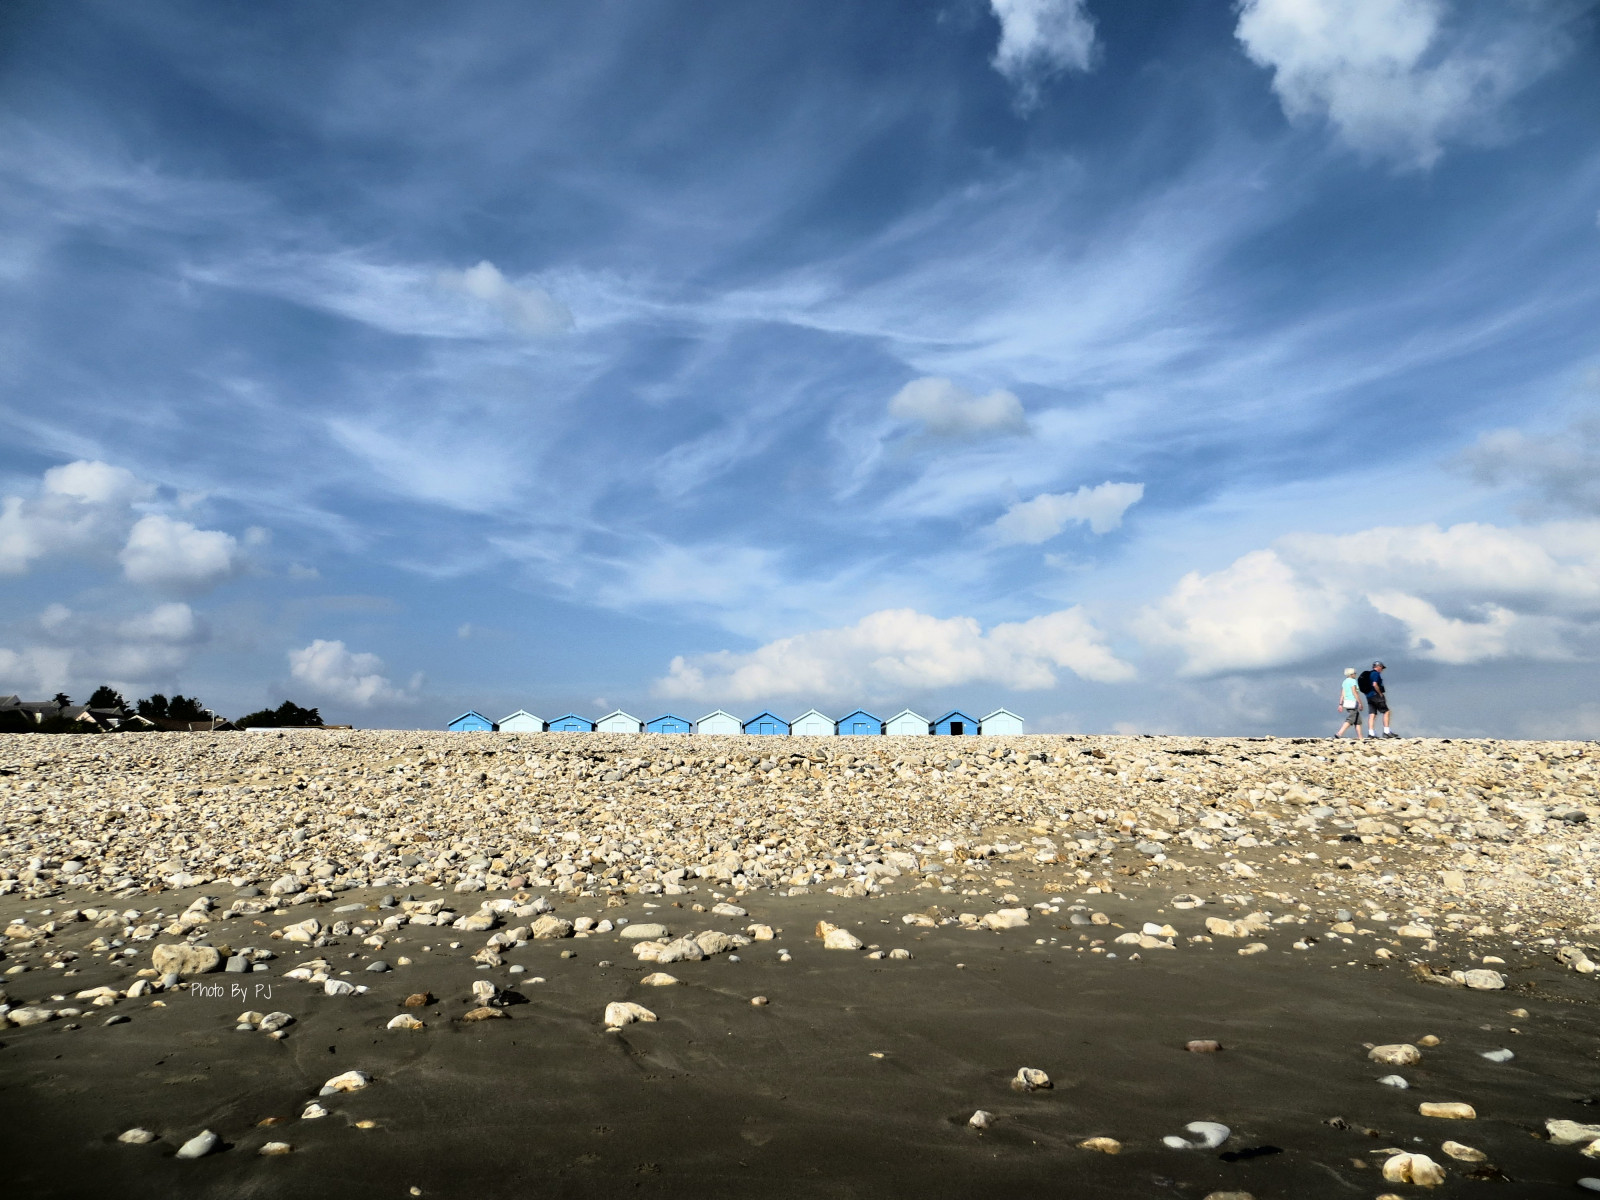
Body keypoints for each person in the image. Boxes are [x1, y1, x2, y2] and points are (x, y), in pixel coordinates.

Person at [1360, 660, 1395, 738]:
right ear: (1378, 667)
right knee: (1386, 711)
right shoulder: (1376, 674)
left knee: (1372, 714)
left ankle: (1371, 733)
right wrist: (1380, 693)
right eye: (1381, 667)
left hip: (1368, 696)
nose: (1382, 669)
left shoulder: (1369, 674)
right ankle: (1386, 732)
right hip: (1375, 695)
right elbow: (1375, 684)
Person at [1336, 667, 1364, 740]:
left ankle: (1360, 737)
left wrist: (1340, 704)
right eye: (1354, 673)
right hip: (1352, 702)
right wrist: (1360, 702)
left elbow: (1342, 694)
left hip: (1347, 702)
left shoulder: (1345, 682)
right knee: (1351, 719)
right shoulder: (1353, 681)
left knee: (1358, 720)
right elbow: (1354, 692)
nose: (1355, 674)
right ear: (1351, 674)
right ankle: (1339, 733)